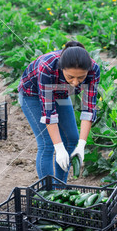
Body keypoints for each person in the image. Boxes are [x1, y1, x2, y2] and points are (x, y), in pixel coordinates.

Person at [18, 41, 101, 183]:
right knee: (47, 144)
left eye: (81, 78)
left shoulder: (93, 69)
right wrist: (59, 148)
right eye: (70, 77)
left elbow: (89, 109)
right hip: (32, 94)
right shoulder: (47, 67)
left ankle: (60, 188)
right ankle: (48, 195)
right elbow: (49, 113)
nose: (75, 82)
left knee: (72, 139)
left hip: (61, 93)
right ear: (62, 68)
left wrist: (81, 145)